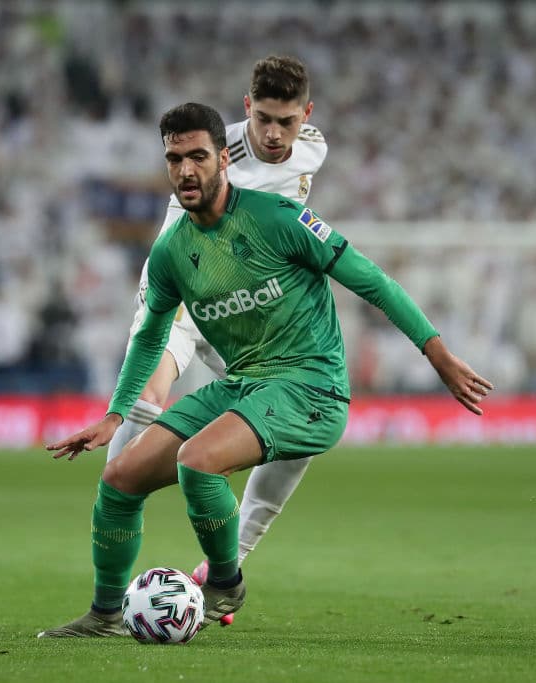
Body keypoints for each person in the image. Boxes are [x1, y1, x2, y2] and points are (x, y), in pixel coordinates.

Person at [37, 102, 492, 638]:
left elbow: (372, 280)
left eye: (198, 156)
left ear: (224, 158)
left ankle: (225, 583)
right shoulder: (171, 251)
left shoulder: (278, 219)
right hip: (244, 384)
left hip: (311, 387)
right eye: (174, 158)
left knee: (198, 461)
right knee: (118, 480)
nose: (186, 170)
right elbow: (152, 334)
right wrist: (116, 416)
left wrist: (436, 353)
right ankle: (106, 614)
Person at [105, 56, 327, 608]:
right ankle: (113, 511)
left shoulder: (314, 146)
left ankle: (226, 567)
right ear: (246, 108)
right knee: (146, 403)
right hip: (183, 294)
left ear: (306, 115)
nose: (275, 134)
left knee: (299, 427)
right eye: (264, 120)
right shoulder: (211, 150)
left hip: (245, 319)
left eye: (287, 121)